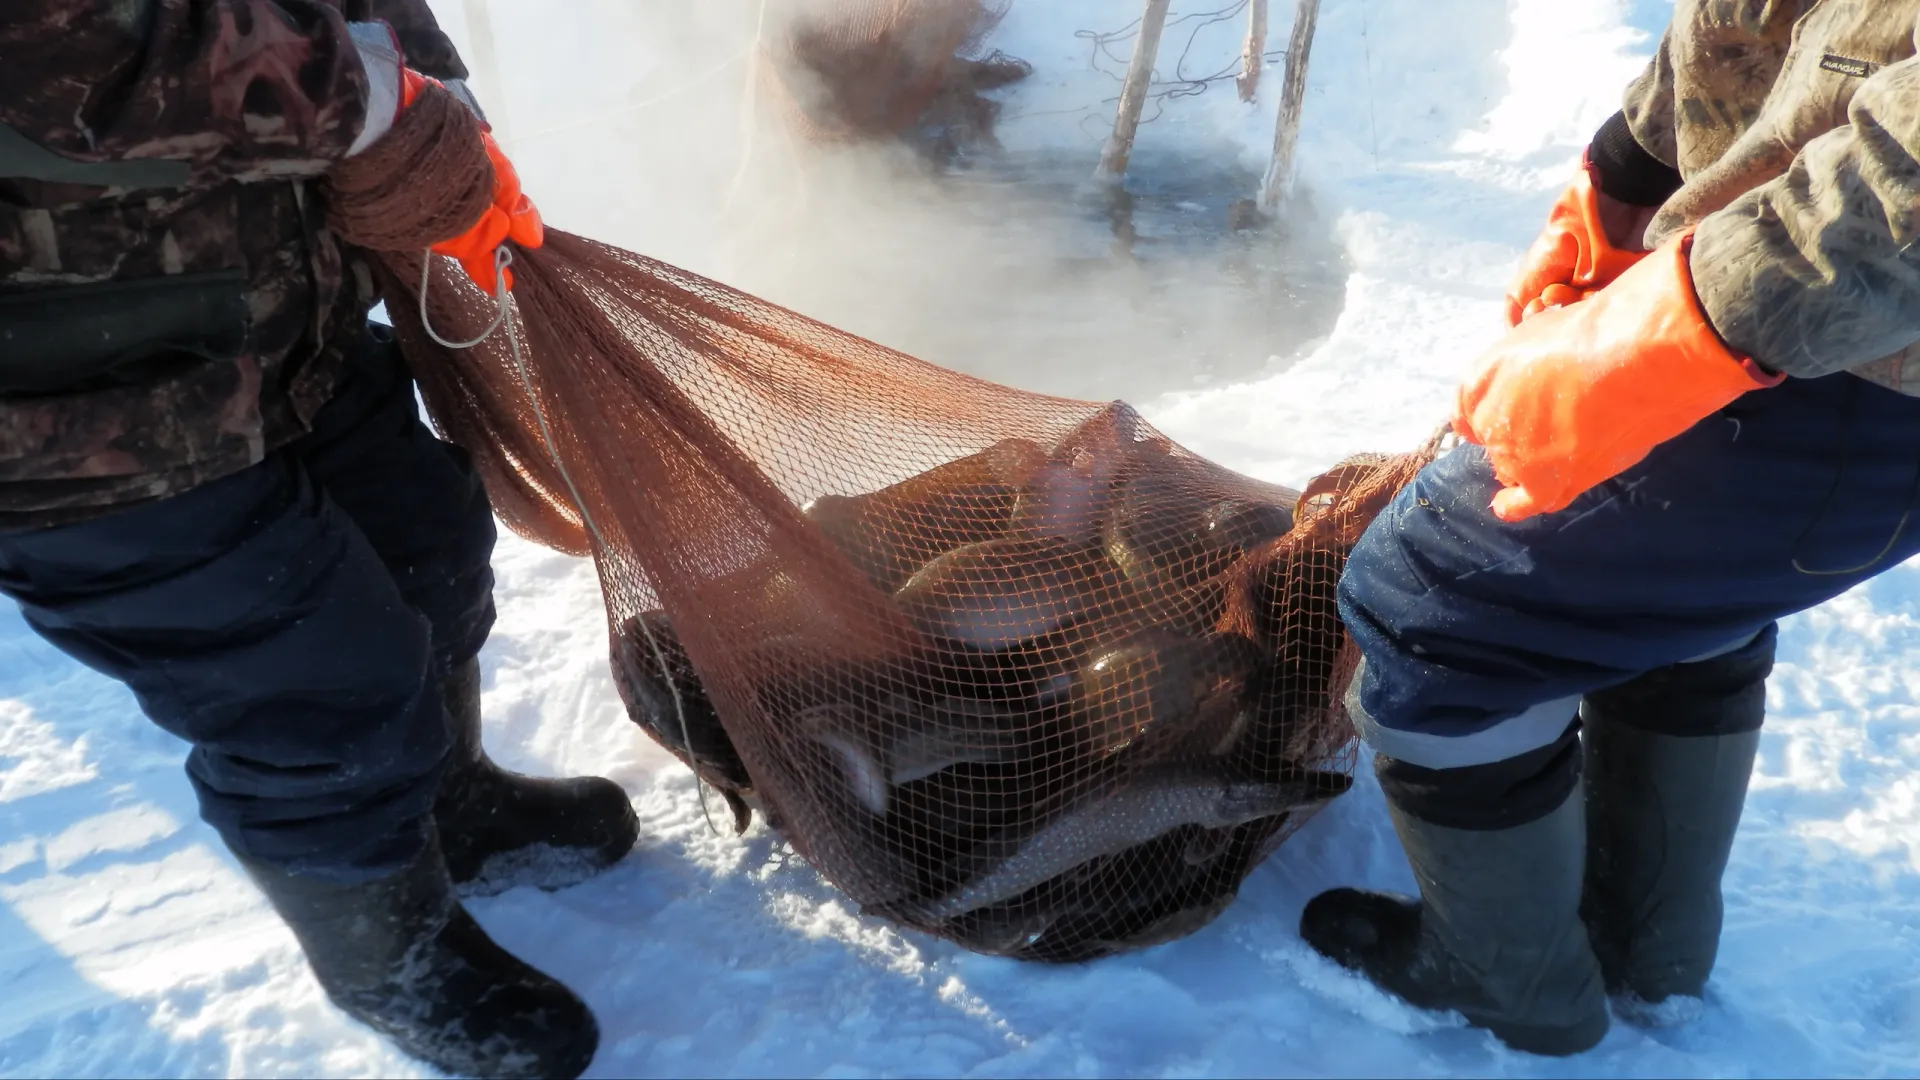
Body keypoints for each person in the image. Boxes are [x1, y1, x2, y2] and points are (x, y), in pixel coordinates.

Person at [0, 4, 635, 1078]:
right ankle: (389, 956)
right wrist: (368, 101)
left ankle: (452, 805)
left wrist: (429, 87)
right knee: (313, 687)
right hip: (72, 416)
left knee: (428, 546)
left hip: (283, 306)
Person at [1301, 0, 1920, 1057]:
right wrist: (1624, 167)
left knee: (1427, 604)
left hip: (1845, 350)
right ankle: (1651, 954)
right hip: (1831, 360)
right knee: (1665, 591)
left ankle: (1512, 987)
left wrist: (1679, 325)